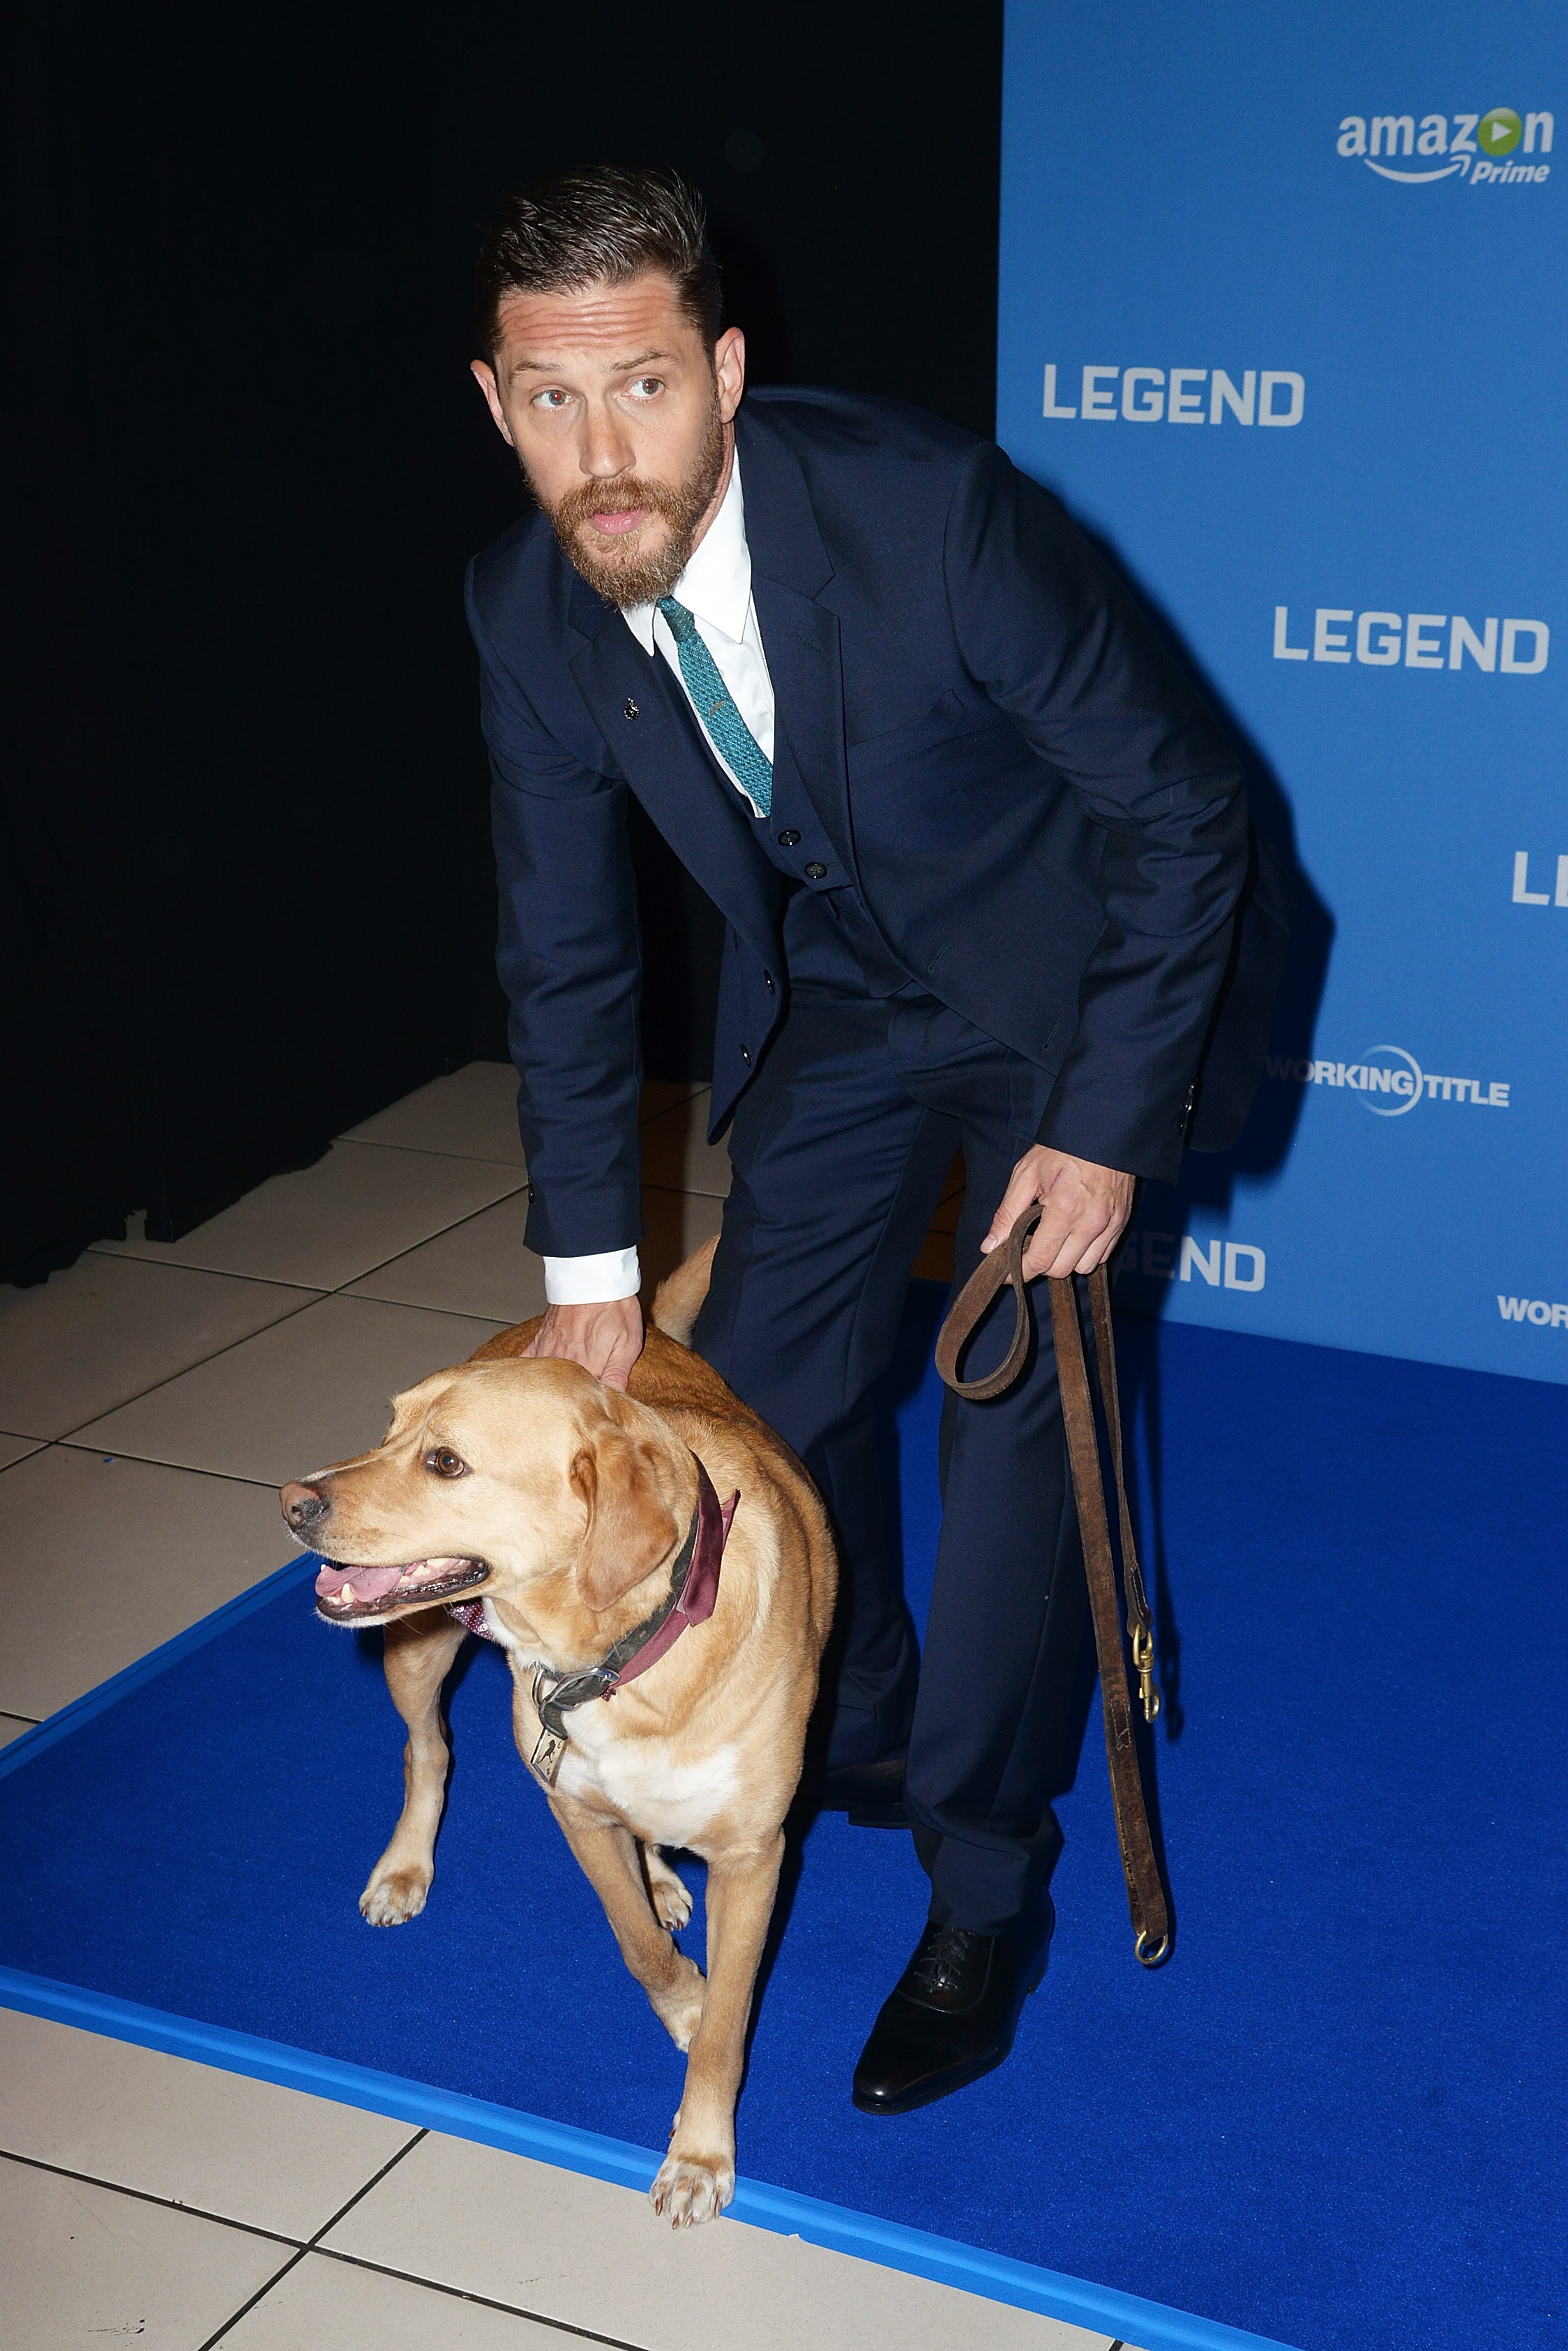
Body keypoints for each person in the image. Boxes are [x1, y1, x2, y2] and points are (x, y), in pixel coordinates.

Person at [465, 166, 1251, 2113]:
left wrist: (1094, 1121)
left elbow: (1185, 809)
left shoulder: (932, 518)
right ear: (494, 402)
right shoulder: (523, 607)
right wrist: (587, 1282)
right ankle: (866, 1710)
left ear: (725, 370)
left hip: (1068, 991)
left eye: (642, 387)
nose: (604, 454)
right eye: (553, 403)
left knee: (1008, 1454)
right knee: (757, 1410)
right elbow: (565, 950)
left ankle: (986, 1880)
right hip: (840, 1012)